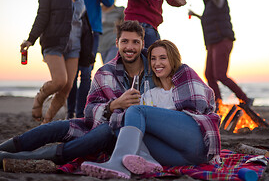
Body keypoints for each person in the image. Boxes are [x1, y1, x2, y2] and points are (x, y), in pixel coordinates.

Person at [0, 21, 154, 167]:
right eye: (125, 41)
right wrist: (113, 106)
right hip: (98, 124)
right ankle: (5, 147)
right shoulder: (105, 72)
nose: (130, 47)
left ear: (143, 43)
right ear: (116, 43)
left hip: (127, 135)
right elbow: (89, 111)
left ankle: (20, 158)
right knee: (56, 127)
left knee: (106, 131)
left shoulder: (155, 69)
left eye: (135, 42)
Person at [81, 40, 221, 179]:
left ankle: (117, 163)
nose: (156, 63)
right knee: (121, 124)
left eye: (163, 58)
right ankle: (148, 160)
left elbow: (201, 106)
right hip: (180, 157)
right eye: (153, 59)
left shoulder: (185, 74)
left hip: (197, 142)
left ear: (173, 59)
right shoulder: (150, 94)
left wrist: (158, 118)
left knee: (136, 111)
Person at [19, 0, 95, 124]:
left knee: (67, 88)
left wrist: (88, 53)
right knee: (60, 81)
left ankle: (46, 123)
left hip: (75, 47)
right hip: (54, 43)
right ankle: (39, 99)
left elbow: (84, 28)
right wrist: (31, 39)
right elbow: (42, 17)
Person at [188, 0, 253, 109]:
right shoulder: (209, 5)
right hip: (211, 43)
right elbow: (209, 20)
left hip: (222, 40)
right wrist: (195, 15)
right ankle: (218, 103)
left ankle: (245, 99)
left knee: (220, 75)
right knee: (209, 74)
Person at [67, 0, 114, 119]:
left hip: (93, 32)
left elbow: (109, 1)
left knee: (86, 73)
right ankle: (69, 111)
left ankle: (80, 114)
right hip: (74, 31)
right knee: (71, 74)